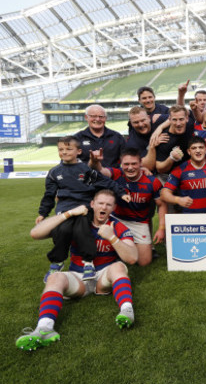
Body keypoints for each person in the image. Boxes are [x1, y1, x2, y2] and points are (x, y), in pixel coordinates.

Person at [18, 190, 138, 352]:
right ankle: (44, 328)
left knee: (119, 266)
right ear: (92, 204)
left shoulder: (117, 226)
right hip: (79, 277)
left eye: (108, 204)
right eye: (100, 203)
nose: (104, 207)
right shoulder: (77, 222)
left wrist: (113, 238)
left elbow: (132, 258)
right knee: (55, 278)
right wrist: (68, 214)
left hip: (104, 277)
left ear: (114, 208)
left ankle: (126, 311)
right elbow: (35, 233)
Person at [37, 136, 130, 282]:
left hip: (84, 208)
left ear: (78, 151)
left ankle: (88, 262)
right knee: (63, 230)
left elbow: (104, 181)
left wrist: (122, 192)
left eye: (69, 149)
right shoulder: (55, 172)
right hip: (65, 209)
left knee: (81, 228)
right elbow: (49, 195)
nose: (64, 152)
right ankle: (57, 262)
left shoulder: (84, 170)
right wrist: (43, 213)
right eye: (61, 149)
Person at [91, 148, 167, 267]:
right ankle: (114, 251)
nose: (130, 168)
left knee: (144, 262)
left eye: (134, 164)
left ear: (140, 163)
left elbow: (162, 205)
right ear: (121, 164)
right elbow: (101, 170)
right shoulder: (116, 174)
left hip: (139, 223)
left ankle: (124, 249)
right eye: (126, 164)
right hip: (116, 219)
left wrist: (161, 228)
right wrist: (95, 161)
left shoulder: (152, 182)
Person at [161, 136, 206, 219]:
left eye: (201, 147)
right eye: (194, 148)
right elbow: (164, 193)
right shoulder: (179, 170)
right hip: (189, 220)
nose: (198, 151)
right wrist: (178, 200)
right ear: (189, 152)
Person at [155, 105, 196, 175]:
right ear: (169, 119)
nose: (178, 124)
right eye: (174, 119)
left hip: (191, 172)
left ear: (187, 119)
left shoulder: (190, 124)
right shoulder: (164, 138)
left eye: (181, 119)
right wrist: (171, 158)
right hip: (171, 176)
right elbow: (159, 168)